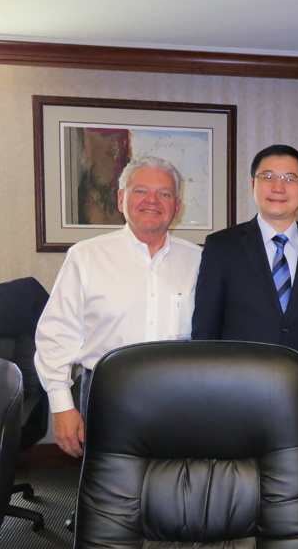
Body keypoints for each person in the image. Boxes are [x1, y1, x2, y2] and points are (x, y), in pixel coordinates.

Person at [35, 156, 202, 458]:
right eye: (141, 191)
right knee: (109, 484)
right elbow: (56, 335)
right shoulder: (86, 257)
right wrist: (61, 406)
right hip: (107, 396)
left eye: (164, 194)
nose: (152, 200)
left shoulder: (199, 260)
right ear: (121, 198)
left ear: (177, 207)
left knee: (178, 481)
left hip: (181, 398)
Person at [192, 144, 298, 434]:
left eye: (289, 179)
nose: (278, 187)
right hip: (233, 396)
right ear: (252, 184)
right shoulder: (221, 247)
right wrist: (208, 394)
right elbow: (205, 331)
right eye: (268, 176)